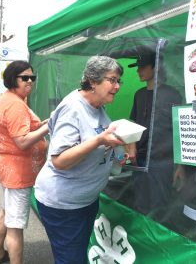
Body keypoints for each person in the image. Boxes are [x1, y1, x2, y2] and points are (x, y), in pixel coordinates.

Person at [34, 55, 125, 264]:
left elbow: (93, 144)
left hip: (85, 201)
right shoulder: (73, 108)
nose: (117, 86)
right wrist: (99, 140)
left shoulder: (98, 105)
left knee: (75, 255)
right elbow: (59, 160)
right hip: (63, 205)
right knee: (71, 260)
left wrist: (115, 149)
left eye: (119, 81)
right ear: (93, 81)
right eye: (112, 80)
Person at [0, 60, 49, 264]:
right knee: (15, 225)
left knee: (6, 213)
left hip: (9, 169)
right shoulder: (15, 105)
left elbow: (24, 129)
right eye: (25, 78)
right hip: (18, 173)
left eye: (32, 77)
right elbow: (22, 141)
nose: (30, 81)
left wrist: (43, 124)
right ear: (12, 79)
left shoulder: (9, 99)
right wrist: (48, 128)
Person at [127, 52, 182, 217]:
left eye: (143, 67)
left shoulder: (172, 95)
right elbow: (133, 125)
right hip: (140, 158)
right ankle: (143, 238)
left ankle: (157, 238)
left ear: (156, 67)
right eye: (138, 67)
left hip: (162, 160)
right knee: (140, 201)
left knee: (160, 205)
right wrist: (131, 148)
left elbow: (180, 130)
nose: (138, 71)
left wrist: (180, 165)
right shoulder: (139, 94)